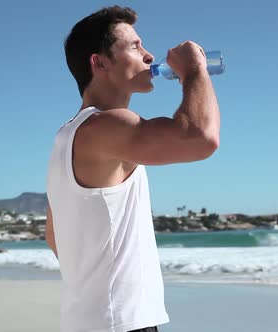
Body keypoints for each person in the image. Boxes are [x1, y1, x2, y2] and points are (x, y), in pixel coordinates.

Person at [45, 5, 220, 332]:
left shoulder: (66, 136)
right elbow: (201, 138)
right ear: (100, 63)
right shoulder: (105, 124)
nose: (150, 56)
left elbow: (54, 235)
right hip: (119, 323)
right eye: (135, 46)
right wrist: (195, 69)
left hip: (91, 321)